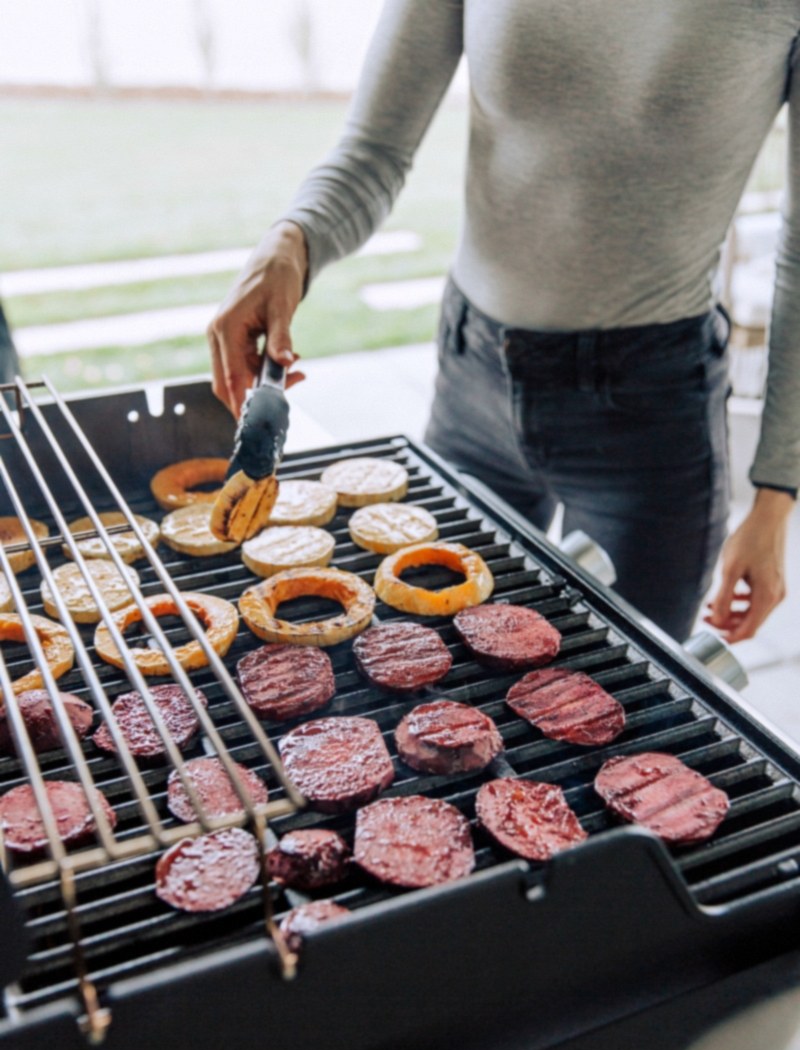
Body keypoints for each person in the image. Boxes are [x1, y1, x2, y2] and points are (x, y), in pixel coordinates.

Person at [208, 1, 800, 644]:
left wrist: (776, 497)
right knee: (437, 676)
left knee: (615, 711)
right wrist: (290, 243)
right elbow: (374, 149)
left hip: (651, 418)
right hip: (473, 384)